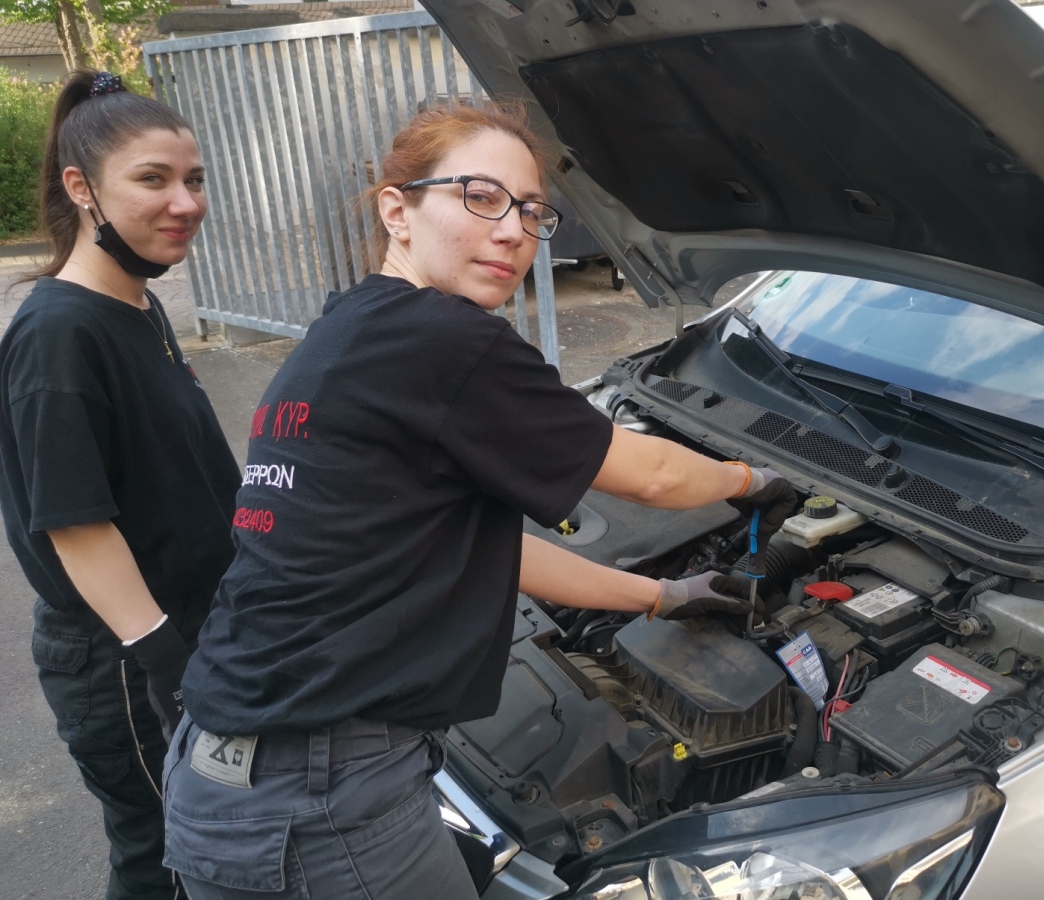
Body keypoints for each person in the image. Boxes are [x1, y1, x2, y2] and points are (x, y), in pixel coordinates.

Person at [162, 101, 796, 899]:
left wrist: (663, 595)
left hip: (223, 785)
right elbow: (657, 479)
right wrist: (757, 480)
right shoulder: (445, 340)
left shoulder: (355, 326)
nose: (513, 232)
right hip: (320, 799)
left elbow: (488, 551)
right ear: (398, 209)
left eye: (531, 212)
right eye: (481, 197)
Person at [0, 71, 241, 899]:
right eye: (153, 179)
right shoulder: (58, 336)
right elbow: (77, 526)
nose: (186, 202)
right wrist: (167, 667)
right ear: (83, 189)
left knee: (209, 849)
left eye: (194, 179)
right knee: (164, 860)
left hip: (186, 633)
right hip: (125, 662)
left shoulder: (136, 304)